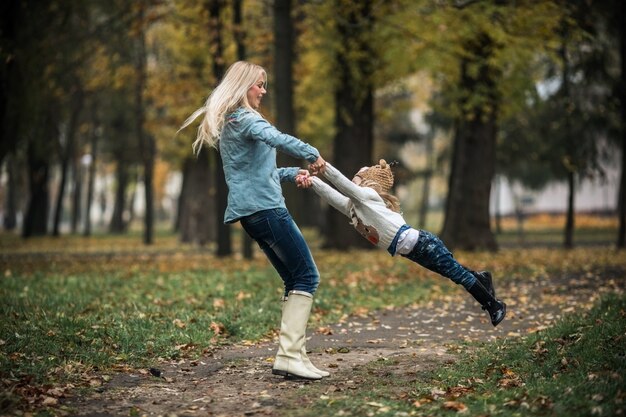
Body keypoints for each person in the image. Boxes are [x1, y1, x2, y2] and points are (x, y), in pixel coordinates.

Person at [180, 61, 329, 380]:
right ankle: (290, 355)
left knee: (294, 279)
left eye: (265, 85)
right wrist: (311, 153)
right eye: (259, 84)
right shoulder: (247, 119)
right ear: (244, 84)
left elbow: (257, 174)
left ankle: (295, 356)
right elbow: (276, 138)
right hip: (269, 210)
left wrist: (292, 173)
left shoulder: (230, 123)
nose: (263, 90)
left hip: (252, 214)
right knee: (308, 276)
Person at [299, 160, 506, 327]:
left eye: (357, 177)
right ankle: (481, 277)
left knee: (456, 275)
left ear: (367, 182)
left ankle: (493, 305)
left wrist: (323, 166)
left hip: (422, 243)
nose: (353, 180)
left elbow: (343, 185)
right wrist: (312, 181)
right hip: (413, 251)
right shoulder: (353, 208)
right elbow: (333, 195)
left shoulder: (368, 197)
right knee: (452, 272)